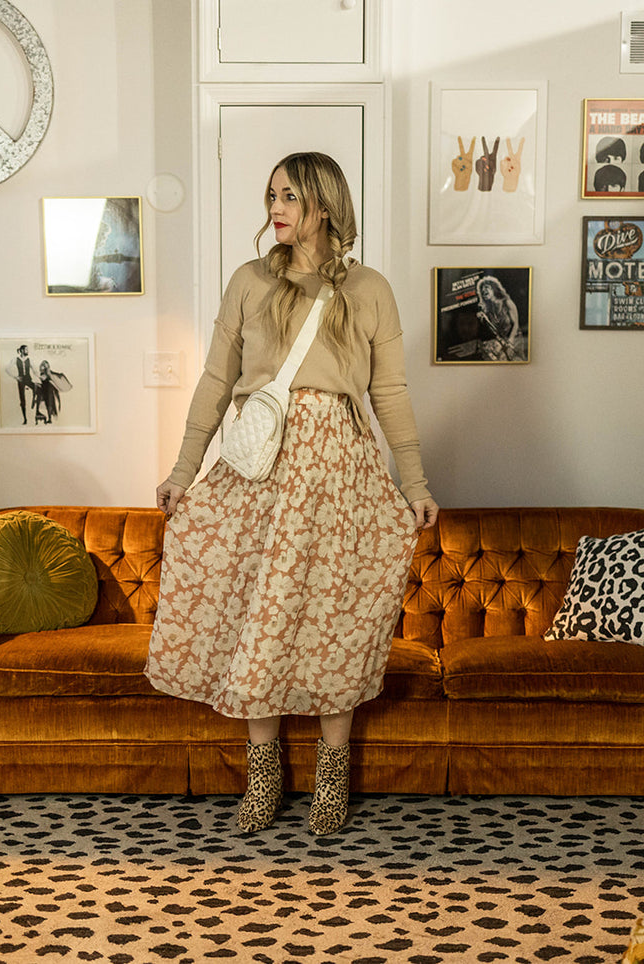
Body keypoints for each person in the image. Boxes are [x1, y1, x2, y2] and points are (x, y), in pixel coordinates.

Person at [145, 151, 439, 837]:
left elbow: (390, 391)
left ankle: (331, 779)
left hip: (339, 473)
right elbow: (216, 380)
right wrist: (183, 472)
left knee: (334, 616)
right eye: (271, 195)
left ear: (324, 207)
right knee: (259, 615)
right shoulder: (249, 281)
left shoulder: (369, 288)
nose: (274, 208)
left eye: (289, 196)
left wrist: (415, 482)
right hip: (260, 471)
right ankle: (264, 777)